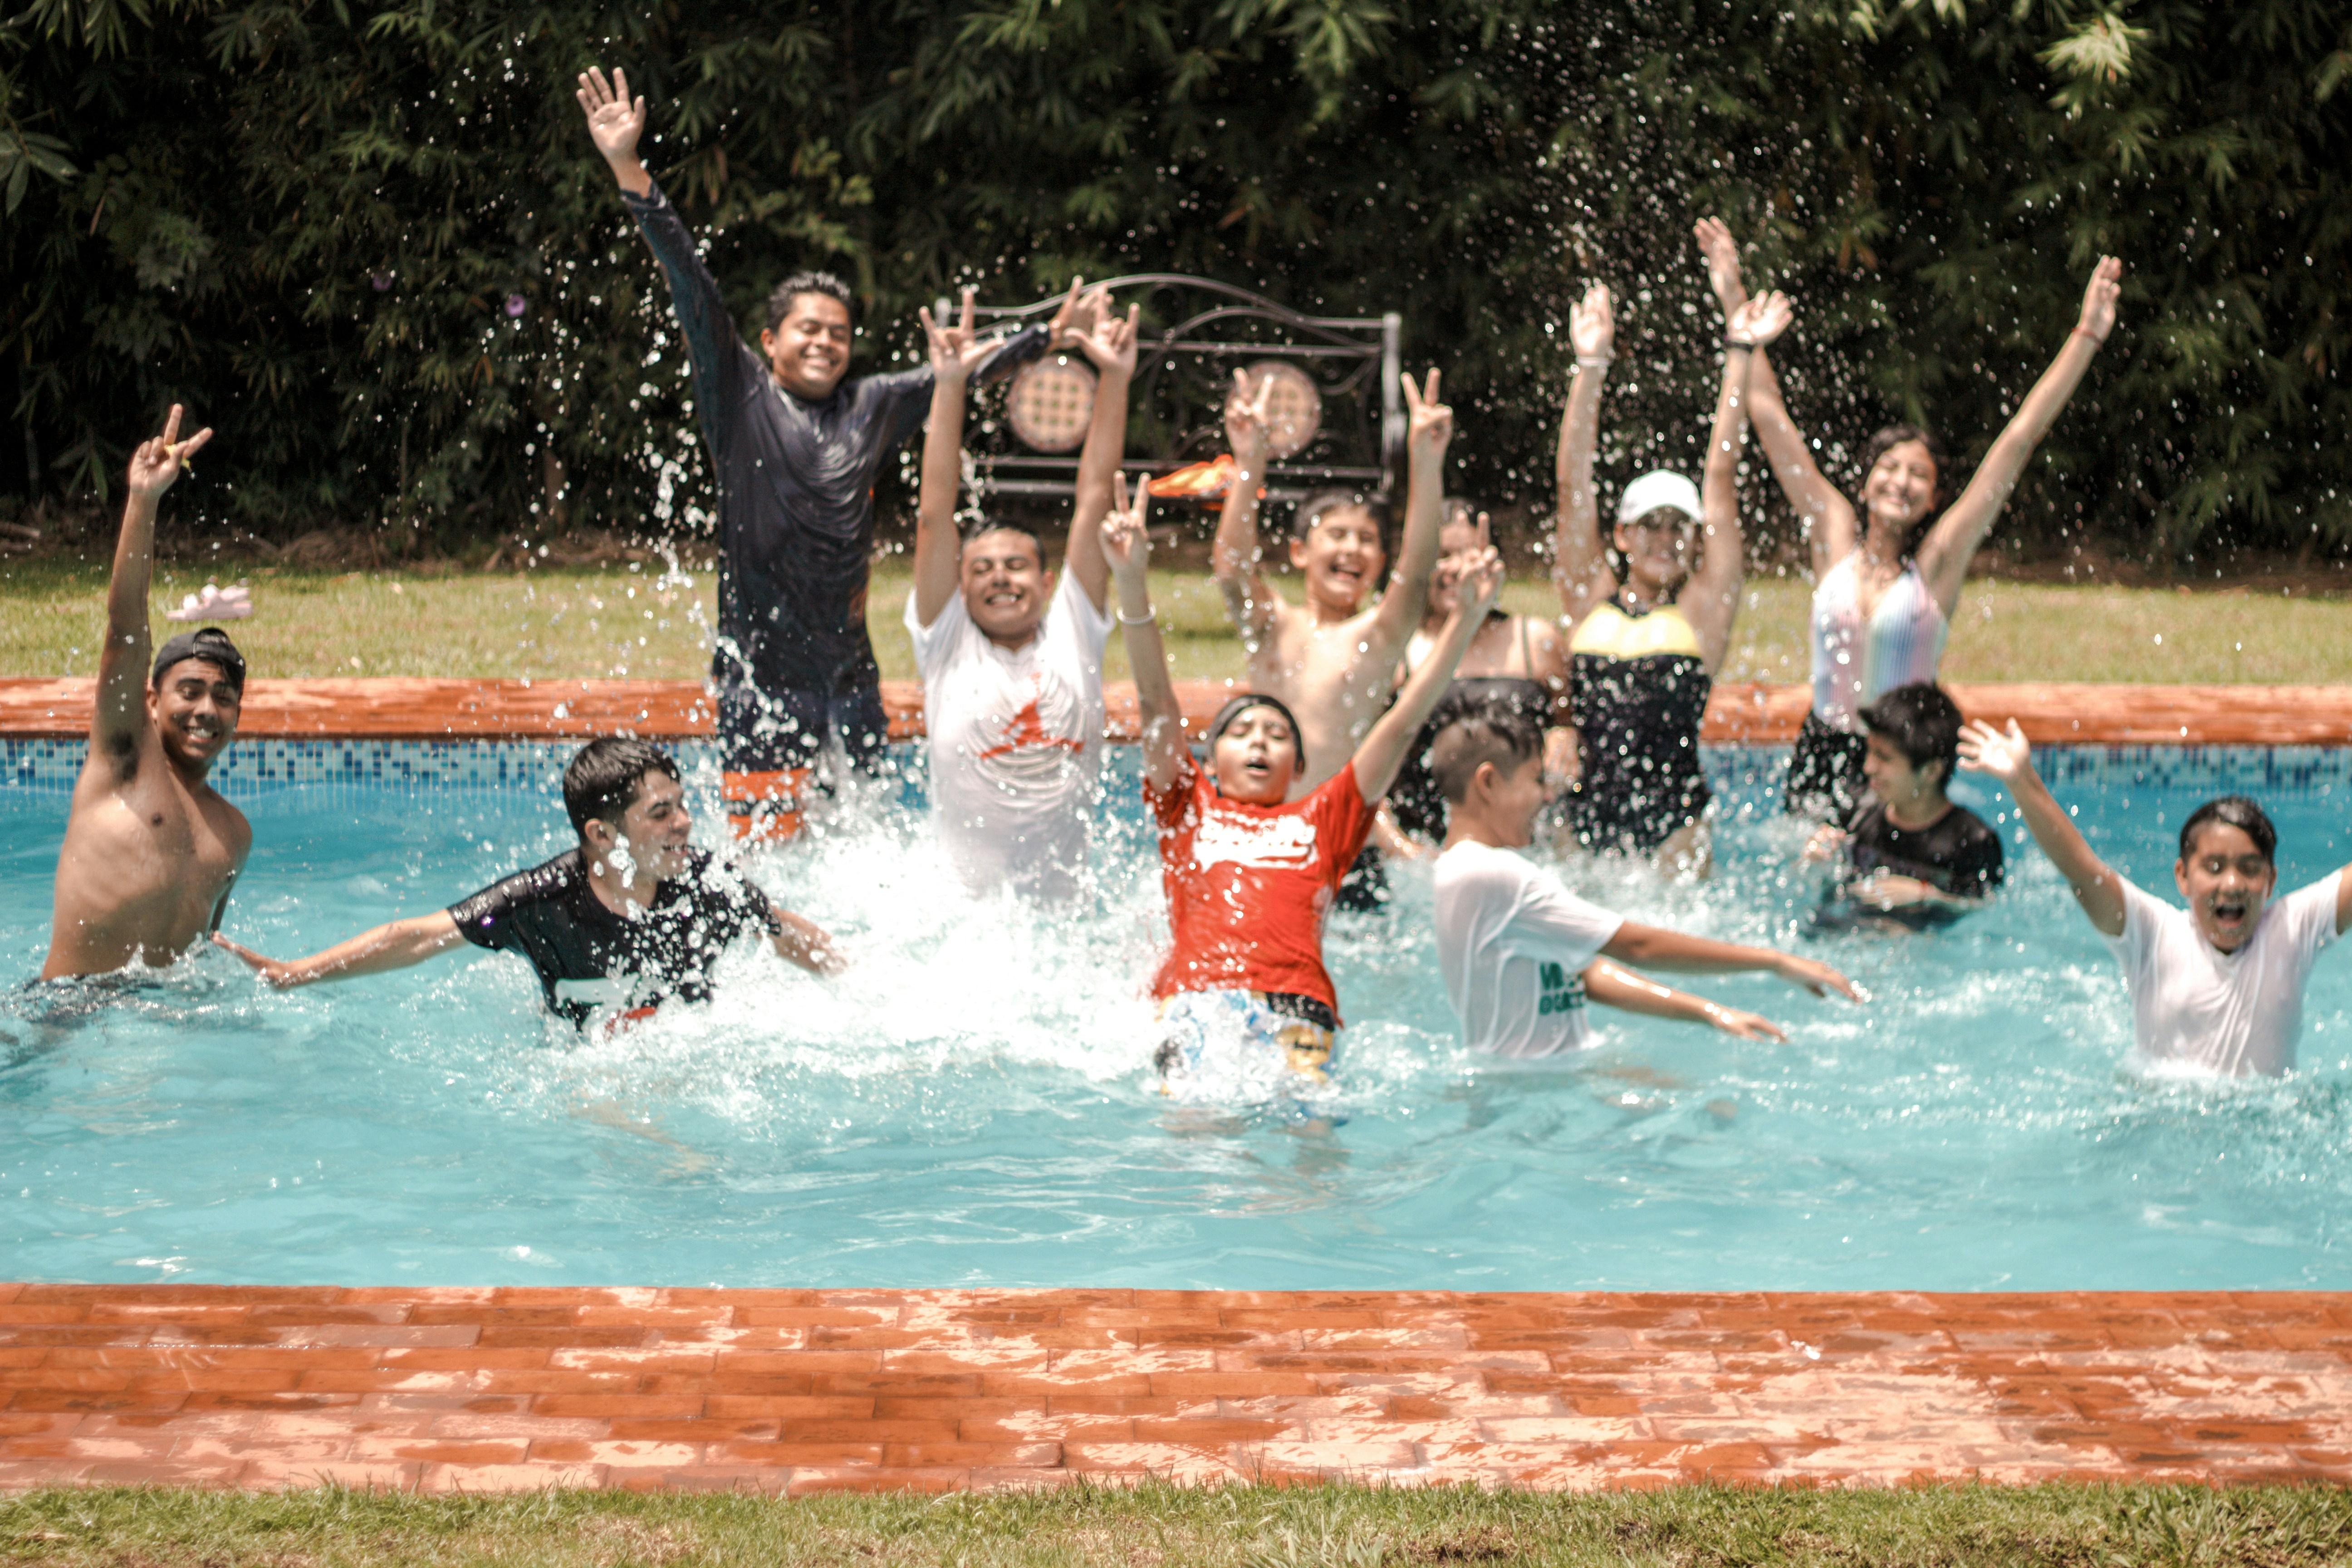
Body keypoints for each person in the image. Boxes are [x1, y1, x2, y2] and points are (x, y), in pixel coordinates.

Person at [577, 66, 1085, 839]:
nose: (823, 341)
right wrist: (627, 168)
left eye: (838, 332)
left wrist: (1044, 336)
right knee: (768, 855)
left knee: (862, 854)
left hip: (850, 679)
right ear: (769, 341)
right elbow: (691, 283)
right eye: (806, 329)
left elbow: (958, 371)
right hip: (760, 681)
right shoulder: (738, 395)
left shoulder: (872, 407)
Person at [1692, 217, 2124, 820]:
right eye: (1890, 468)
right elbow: (1768, 416)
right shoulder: (1833, 534)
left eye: (1919, 475)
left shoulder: (1936, 567)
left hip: (1907, 759)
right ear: (1867, 482)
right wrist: (1734, 299)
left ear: (1932, 498)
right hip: (1823, 751)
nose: (1902, 481)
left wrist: (2087, 336)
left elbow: (2018, 441)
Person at [1102, 461, 1504, 1090]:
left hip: (1299, 1011)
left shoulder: (1325, 815)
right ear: (1208, 761)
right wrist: (1130, 580)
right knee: (1191, 1155)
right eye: (1241, 732)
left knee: (1309, 1166)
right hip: (1196, 1003)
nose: (1260, 741)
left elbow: (1400, 723)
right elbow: (1157, 704)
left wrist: (1465, 622)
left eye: (1277, 735)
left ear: (1300, 766)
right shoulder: (1187, 806)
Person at [215, 739, 841, 1030]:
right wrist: (292, 974)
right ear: (600, 834)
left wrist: (853, 985)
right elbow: (415, 938)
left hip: (690, 1054)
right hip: (584, 1070)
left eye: (680, 805)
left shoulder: (706, 884)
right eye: (660, 813)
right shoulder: (541, 903)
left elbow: (780, 930)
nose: (684, 824)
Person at [1431, 696, 1859, 1058]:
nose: (1547, 795)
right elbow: (1638, 946)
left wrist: (1709, 1011)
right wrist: (1775, 961)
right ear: (1487, 783)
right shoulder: (1496, 874)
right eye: (1536, 779)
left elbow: (1583, 972)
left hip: (1543, 1080)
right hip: (1548, 1089)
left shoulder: (1458, 870)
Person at [1552, 281, 1794, 871]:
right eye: (1651, 526)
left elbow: (1721, 476)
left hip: (1675, 827)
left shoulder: (1702, 613)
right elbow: (1572, 486)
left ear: (1695, 541)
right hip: (1584, 819)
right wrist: (1590, 366)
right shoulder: (1588, 597)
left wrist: (1739, 351)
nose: (1665, 539)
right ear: (1622, 536)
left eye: (1678, 528)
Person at [905, 288, 1136, 899]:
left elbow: (1093, 501)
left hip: (1065, 925)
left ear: (1046, 581)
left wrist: (1113, 379)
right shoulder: (946, 639)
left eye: (1015, 566)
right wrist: (949, 385)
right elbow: (934, 517)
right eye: (981, 569)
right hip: (963, 926)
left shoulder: (1073, 630)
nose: (1000, 578)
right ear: (959, 585)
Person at [1957, 720, 2350, 1078]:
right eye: (2214, 867)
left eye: (2250, 868)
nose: (2232, 884)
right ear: (2182, 876)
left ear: (2271, 880)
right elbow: (2080, 868)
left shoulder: (2293, 929)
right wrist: (2023, 781)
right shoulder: (2154, 934)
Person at [1208, 365, 1450, 906]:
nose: (1353, 549)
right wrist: (1250, 465)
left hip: (1340, 845)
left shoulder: (1377, 636)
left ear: (1380, 562)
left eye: (1367, 540)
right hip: (1261, 829)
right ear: (1299, 553)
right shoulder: (1274, 627)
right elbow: (1231, 568)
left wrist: (1426, 464)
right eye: (1336, 535)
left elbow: (1416, 575)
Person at [42, 407, 250, 982]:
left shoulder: (234, 836)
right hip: (63, 1016)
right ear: (152, 701)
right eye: (189, 691)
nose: (207, 709)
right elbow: (126, 626)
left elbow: (203, 953)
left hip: (166, 1025)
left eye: (224, 696)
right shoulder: (123, 760)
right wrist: (144, 501)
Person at [1380, 498, 1571, 850]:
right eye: (1443, 555)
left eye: (1469, 555)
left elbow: (1569, 720)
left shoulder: (1535, 641)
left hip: (1528, 846)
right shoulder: (1397, 655)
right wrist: (1400, 848)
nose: (1456, 569)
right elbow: (1363, 766)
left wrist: (1564, 737)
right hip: (1427, 852)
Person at [1805, 682, 2003, 931]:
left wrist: (1928, 895)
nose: (1868, 768)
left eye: (1884, 758)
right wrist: (1816, 857)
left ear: (1931, 771)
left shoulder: (1973, 842)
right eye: (1870, 752)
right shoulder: (1856, 813)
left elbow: (1987, 908)